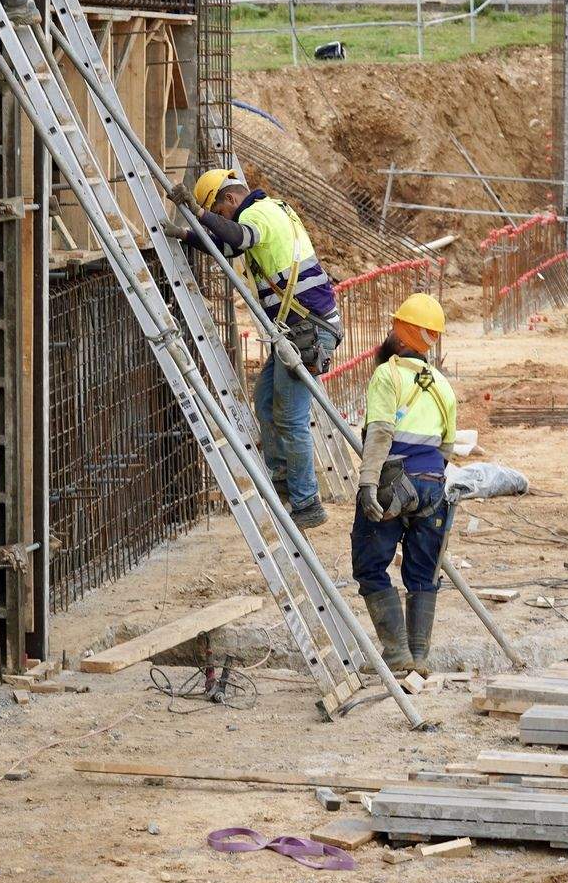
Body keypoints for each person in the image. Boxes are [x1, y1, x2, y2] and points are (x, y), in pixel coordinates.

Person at [164, 170, 343, 529]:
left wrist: (198, 214)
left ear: (229, 200)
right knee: (264, 402)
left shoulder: (256, 214)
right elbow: (227, 246)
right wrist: (188, 234)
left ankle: (307, 503)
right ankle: (282, 483)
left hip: (307, 331)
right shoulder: (267, 211)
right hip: (296, 331)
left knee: (291, 418)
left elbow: (238, 237)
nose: (220, 220)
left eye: (219, 212)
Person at [350, 293, 456, 675]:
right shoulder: (442, 385)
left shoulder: (387, 374)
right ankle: (419, 658)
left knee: (370, 564)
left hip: (393, 482)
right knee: (423, 573)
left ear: (401, 333)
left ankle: (396, 654)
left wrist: (367, 485)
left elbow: (379, 433)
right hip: (432, 487)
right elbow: (446, 447)